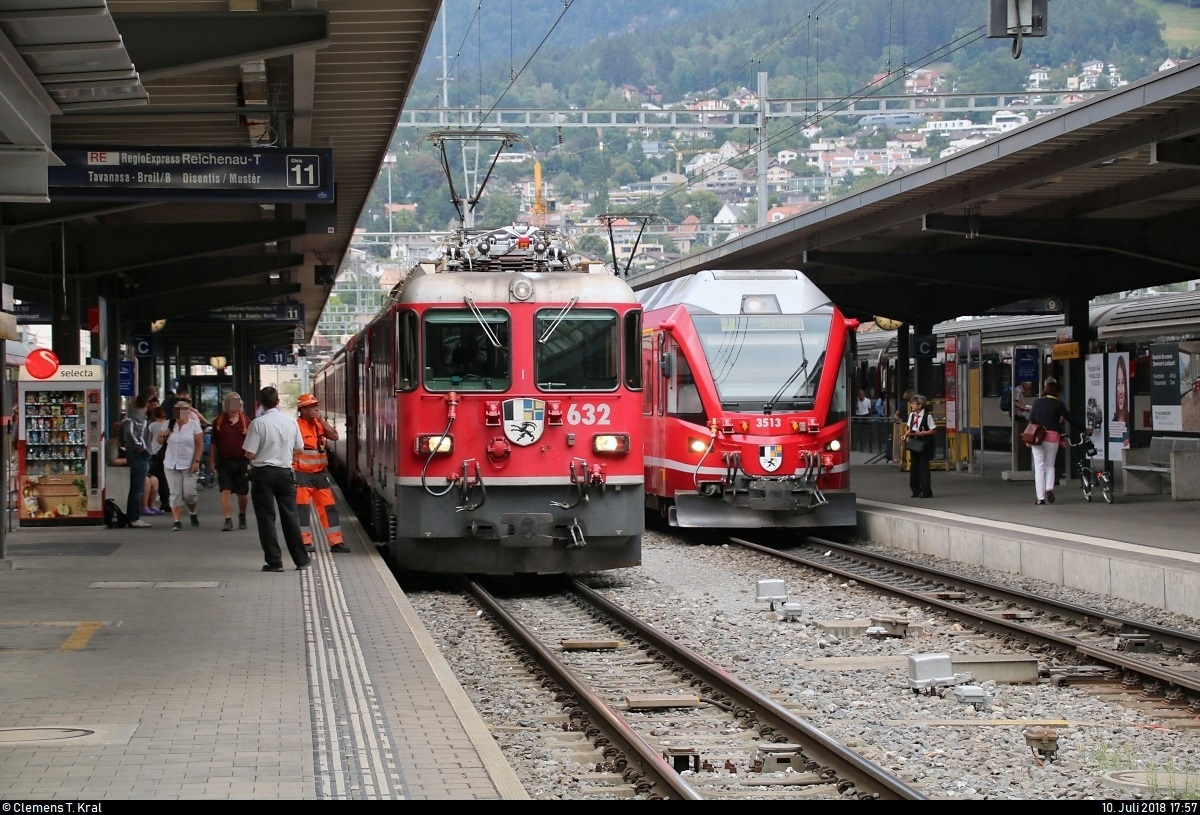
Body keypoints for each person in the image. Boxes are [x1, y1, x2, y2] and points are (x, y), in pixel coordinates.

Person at [244, 386, 309, 572]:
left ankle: (274, 562)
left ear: (260, 404)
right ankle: (301, 560)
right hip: (284, 473)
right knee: (290, 516)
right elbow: (299, 449)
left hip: (262, 474)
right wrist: (284, 452)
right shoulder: (291, 422)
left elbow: (249, 453)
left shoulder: (257, 423)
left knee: (266, 518)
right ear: (278, 401)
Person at [294, 393, 348, 553]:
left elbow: (335, 436)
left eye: (316, 405)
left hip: (320, 475)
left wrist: (321, 420)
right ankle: (304, 542)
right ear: (303, 410)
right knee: (302, 509)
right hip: (301, 473)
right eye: (312, 406)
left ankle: (336, 542)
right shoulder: (295, 426)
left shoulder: (319, 425)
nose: (316, 408)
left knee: (329, 507)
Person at [1027, 378, 1089, 506]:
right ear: (1057, 393)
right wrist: (1084, 429)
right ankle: (1049, 488)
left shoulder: (1037, 403)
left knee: (1039, 467)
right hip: (1052, 437)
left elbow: (1031, 420)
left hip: (1038, 437)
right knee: (1050, 464)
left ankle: (1040, 498)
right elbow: (1071, 419)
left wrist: (1029, 438)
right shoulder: (1059, 404)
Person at [210, 392, 251, 532]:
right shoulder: (218, 422)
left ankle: (242, 515)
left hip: (241, 463)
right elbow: (213, 443)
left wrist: (248, 435)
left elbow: (255, 442)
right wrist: (211, 461)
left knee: (243, 494)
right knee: (225, 491)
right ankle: (228, 520)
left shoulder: (246, 421)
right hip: (224, 463)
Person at [161, 400, 203, 531]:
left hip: (189, 464)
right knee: (175, 493)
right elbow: (159, 441)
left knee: (189, 494)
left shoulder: (194, 425)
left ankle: (192, 512)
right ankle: (177, 521)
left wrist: (196, 461)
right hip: (170, 463)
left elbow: (199, 444)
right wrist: (163, 435)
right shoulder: (168, 424)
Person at [121, 394, 153, 528]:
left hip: (137, 454)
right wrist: (141, 447)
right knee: (137, 488)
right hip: (138, 455)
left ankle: (133, 516)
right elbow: (130, 432)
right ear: (147, 405)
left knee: (137, 487)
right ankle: (134, 517)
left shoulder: (132, 416)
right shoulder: (137, 417)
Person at [903, 393, 937, 499]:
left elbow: (933, 430)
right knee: (914, 467)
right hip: (914, 442)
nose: (912, 406)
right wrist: (905, 435)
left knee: (923, 468)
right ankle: (915, 490)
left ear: (920, 405)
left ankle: (926, 491)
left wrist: (923, 433)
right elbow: (910, 428)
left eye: (913, 404)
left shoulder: (927, 416)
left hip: (924, 443)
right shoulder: (912, 415)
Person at [147, 405, 170, 511]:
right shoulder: (167, 424)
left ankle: (162, 500)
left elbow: (149, 438)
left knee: (157, 476)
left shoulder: (152, 425)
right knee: (165, 476)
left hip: (154, 452)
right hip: (166, 452)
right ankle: (167, 500)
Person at [1112, 356, 1129, 426]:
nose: (1121, 392)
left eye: (1123, 382)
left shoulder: (1131, 421)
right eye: (1118, 383)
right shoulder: (1112, 423)